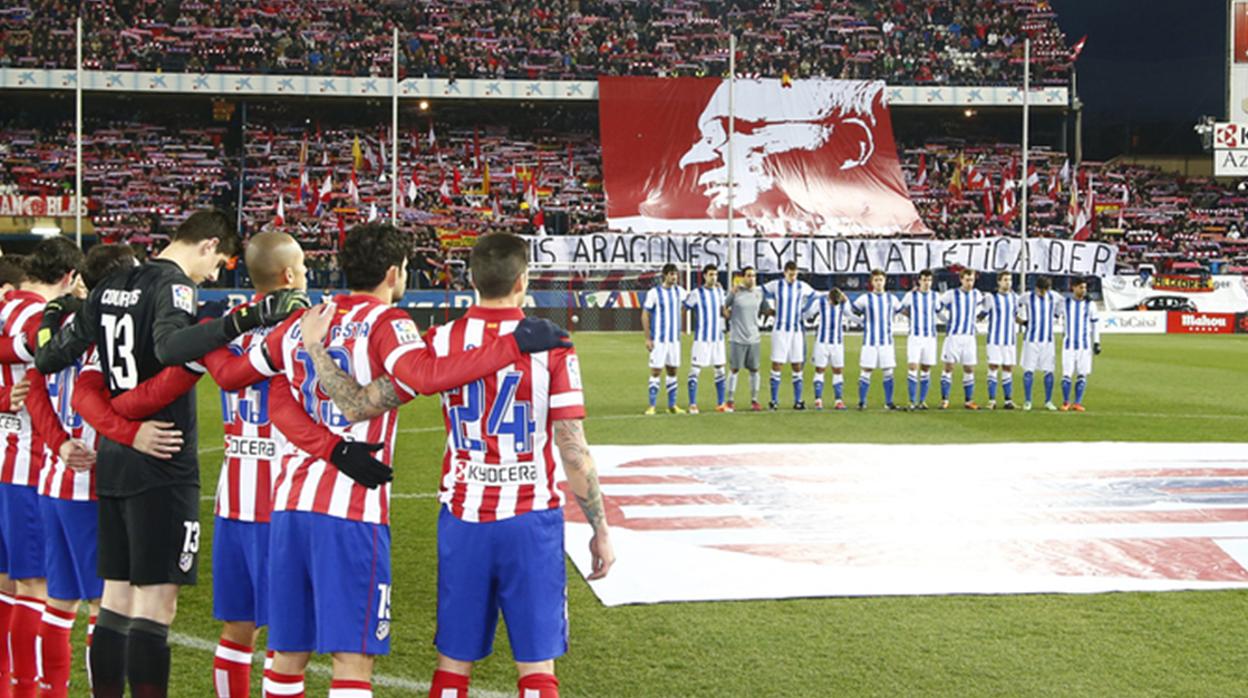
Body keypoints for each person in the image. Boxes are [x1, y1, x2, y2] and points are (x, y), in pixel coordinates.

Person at [249, 223, 572, 697]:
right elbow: (419, 376)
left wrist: (327, 441)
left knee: (286, 657)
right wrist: (513, 345)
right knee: (352, 658)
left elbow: (273, 390)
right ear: (395, 273)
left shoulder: (305, 320)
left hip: (289, 503)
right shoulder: (389, 322)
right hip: (351, 511)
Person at [34, 209, 307, 697]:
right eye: (220, 260)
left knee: (117, 598)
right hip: (162, 456)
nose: (218, 271)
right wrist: (243, 318)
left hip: (115, 459)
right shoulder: (176, 288)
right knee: (157, 607)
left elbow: (50, 357)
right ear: (206, 245)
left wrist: (53, 315)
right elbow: (168, 347)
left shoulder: (111, 285)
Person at [409, 232, 612, 698]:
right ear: (523, 280)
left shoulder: (441, 339)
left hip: (463, 517)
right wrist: (599, 528)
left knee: (453, 663)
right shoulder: (553, 344)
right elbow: (572, 448)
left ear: (472, 280)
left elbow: (383, 394)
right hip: (530, 518)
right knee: (536, 666)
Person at [23, 243, 149, 698]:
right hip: (92, 482)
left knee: (58, 602)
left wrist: (57, 443)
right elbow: (91, 396)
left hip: (54, 480)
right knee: (108, 605)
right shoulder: (109, 334)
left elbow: (33, 385)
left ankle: (47, 691)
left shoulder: (59, 325)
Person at [0, 238, 84, 698]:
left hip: (5, 462)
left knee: (8, 585)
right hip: (30, 464)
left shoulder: (5, 304)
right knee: (37, 588)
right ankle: (37, 691)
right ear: (69, 277)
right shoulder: (40, 318)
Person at [761, 261, 816, 410]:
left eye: (795, 274)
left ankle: (798, 401)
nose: (793, 277)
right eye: (790, 274)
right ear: (785, 272)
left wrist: (805, 311)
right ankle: (774, 400)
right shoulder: (776, 285)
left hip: (796, 330)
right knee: (777, 363)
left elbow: (814, 296)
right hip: (780, 329)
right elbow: (760, 292)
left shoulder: (802, 286)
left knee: (797, 364)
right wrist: (768, 309)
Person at [849, 270, 902, 410]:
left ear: (885, 281)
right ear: (872, 282)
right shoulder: (864, 299)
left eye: (881, 280)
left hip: (887, 342)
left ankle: (889, 402)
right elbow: (852, 311)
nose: (879, 283)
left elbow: (900, 311)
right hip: (869, 342)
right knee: (866, 370)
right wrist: (861, 322)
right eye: (876, 280)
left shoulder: (892, 299)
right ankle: (862, 402)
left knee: (888, 371)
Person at [641, 264, 687, 415]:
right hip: (659, 340)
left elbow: (691, 301)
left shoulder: (680, 292)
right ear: (665, 275)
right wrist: (648, 338)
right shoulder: (654, 293)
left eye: (676, 274)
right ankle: (652, 405)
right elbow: (645, 314)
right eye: (672, 274)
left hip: (674, 340)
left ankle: (672, 405)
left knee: (673, 370)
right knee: (656, 371)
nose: (675, 277)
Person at [722, 267, 769, 412]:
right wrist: (728, 316)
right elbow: (724, 307)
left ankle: (754, 400)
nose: (752, 278)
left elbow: (765, 309)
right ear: (743, 277)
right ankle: (730, 400)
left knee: (755, 369)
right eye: (749, 276)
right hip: (737, 337)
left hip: (754, 338)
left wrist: (765, 317)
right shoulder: (735, 293)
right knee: (734, 369)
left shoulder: (759, 293)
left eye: (754, 276)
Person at [683, 264, 727, 414]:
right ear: (704, 276)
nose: (713, 277)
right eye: (711, 274)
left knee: (720, 369)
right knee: (695, 369)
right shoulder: (696, 293)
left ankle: (721, 403)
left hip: (718, 338)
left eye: (715, 274)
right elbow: (684, 308)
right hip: (702, 339)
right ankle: (693, 404)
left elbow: (724, 311)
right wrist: (682, 328)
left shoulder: (720, 292)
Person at [939, 269, 984, 410]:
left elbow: (981, 309)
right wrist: (946, 321)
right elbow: (937, 308)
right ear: (961, 279)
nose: (970, 283)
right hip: (954, 336)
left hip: (969, 337)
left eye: (972, 280)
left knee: (969, 368)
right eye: (967, 280)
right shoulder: (951, 294)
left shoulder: (977, 295)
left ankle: (968, 401)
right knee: (949, 367)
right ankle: (944, 400)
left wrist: (976, 320)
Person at [1017, 276, 1061, 411]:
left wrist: (1057, 314)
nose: (1043, 294)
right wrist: (1022, 321)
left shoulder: (1054, 296)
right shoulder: (1027, 297)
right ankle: (1027, 401)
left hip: (1048, 340)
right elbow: (1012, 306)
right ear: (1036, 288)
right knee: (1028, 370)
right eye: (1041, 291)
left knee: (1049, 371)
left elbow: (1065, 303)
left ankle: (1048, 401)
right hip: (1031, 340)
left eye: (1045, 291)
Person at [899, 269, 940, 410]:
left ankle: (922, 401)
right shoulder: (911, 295)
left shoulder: (935, 296)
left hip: (930, 337)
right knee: (912, 366)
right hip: (915, 336)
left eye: (929, 280)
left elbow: (939, 311)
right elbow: (901, 309)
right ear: (919, 281)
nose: (927, 283)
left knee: (926, 368)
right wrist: (912, 316)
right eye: (924, 280)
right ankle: (911, 401)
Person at [1060, 277, 1101, 412]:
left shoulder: (1090, 305)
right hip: (1068, 345)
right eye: (1081, 287)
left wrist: (1096, 342)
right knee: (1066, 374)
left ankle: (1077, 403)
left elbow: (1095, 324)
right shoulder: (1065, 303)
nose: (1083, 290)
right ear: (1073, 288)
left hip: (1084, 346)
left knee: (1082, 374)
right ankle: (1066, 402)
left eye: (1085, 288)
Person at [805, 287, 849, 410]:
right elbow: (808, 314)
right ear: (828, 298)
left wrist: (864, 322)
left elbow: (850, 314)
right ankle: (818, 400)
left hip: (837, 342)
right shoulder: (819, 302)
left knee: (838, 370)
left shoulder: (843, 303)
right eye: (832, 302)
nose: (833, 305)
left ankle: (838, 401)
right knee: (820, 369)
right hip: (821, 342)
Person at [984, 273, 1020, 410]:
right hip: (994, 339)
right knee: (993, 367)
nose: (1008, 282)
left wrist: (1026, 323)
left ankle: (1008, 401)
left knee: (1008, 368)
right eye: (1005, 280)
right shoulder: (991, 298)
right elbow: (983, 313)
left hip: (1009, 339)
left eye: (1010, 280)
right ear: (999, 282)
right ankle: (992, 400)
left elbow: (1015, 316)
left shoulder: (1015, 298)